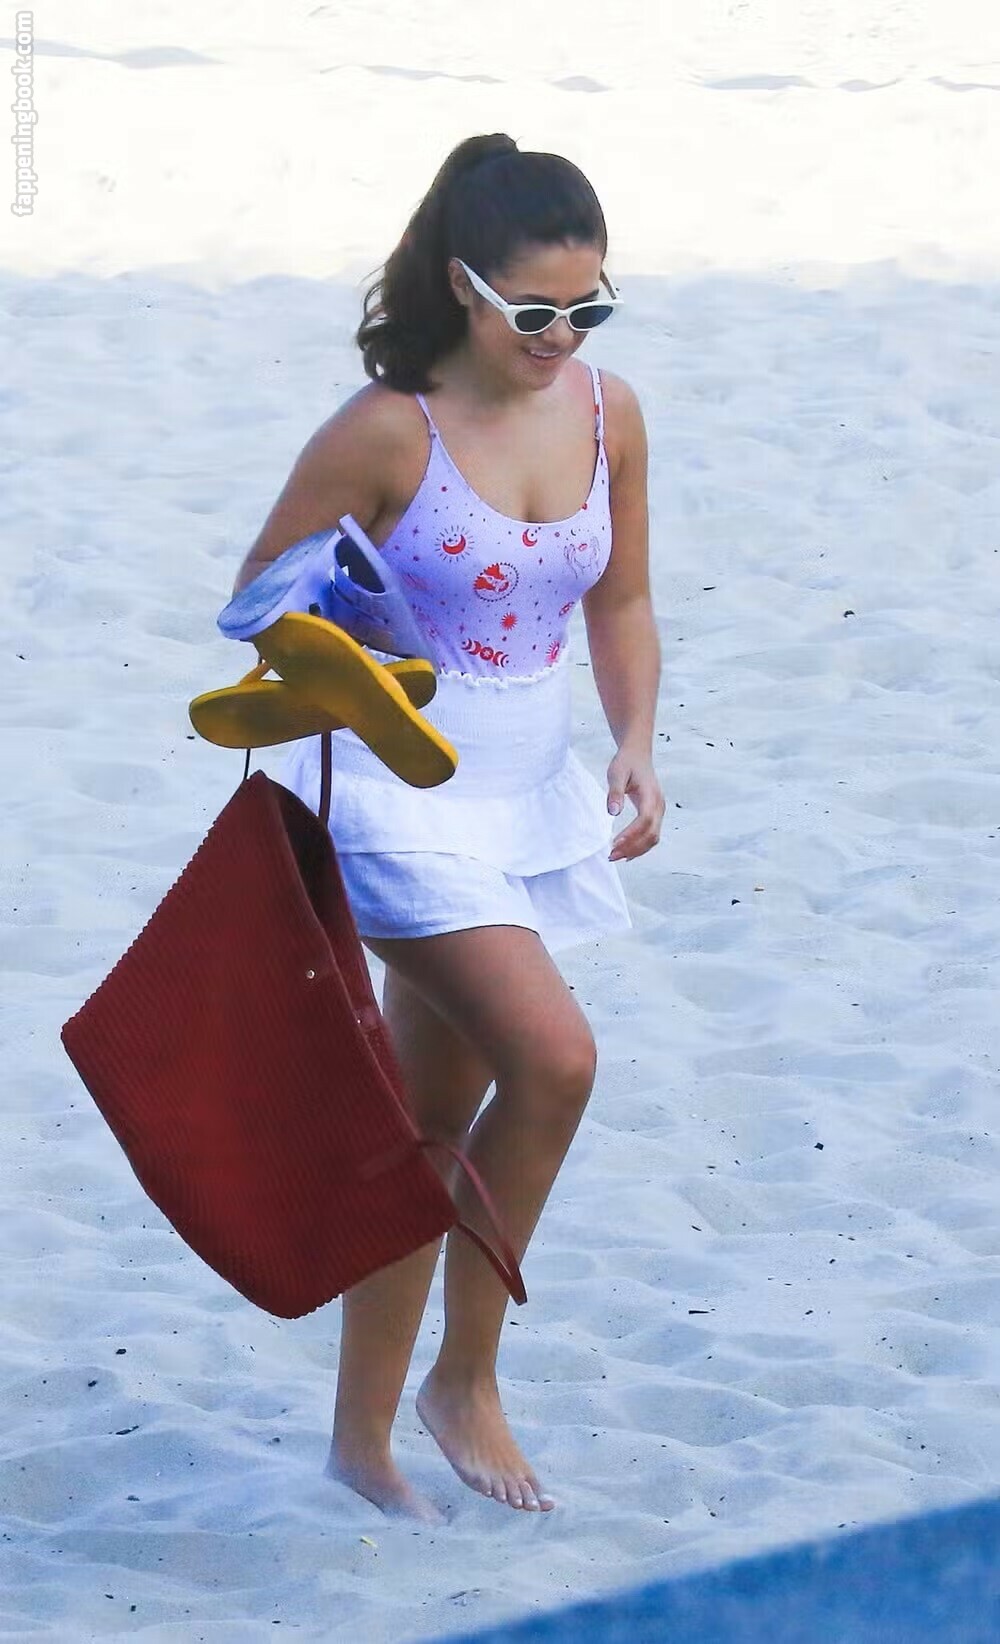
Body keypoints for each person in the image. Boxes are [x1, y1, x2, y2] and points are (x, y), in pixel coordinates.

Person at [232, 133, 664, 1521]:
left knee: (431, 1116)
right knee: (557, 1060)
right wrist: (352, 639)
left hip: (533, 791)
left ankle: (360, 1445)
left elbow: (621, 600)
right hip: (399, 800)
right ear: (462, 286)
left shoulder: (608, 412)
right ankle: (463, 1379)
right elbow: (257, 599)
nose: (562, 338)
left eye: (589, 308)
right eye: (533, 311)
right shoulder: (384, 430)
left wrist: (636, 742)